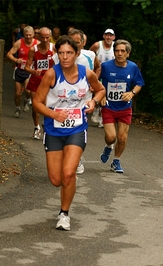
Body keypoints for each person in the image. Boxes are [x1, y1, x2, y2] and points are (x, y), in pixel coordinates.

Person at [33, 36, 105, 231]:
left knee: (67, 172)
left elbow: (100, 90)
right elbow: (37, 102)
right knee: (56, 180)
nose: (65, 57)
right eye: (61, 53)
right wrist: (53, 114)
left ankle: (64, 214)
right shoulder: (51, 74)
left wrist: (93, 102)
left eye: (69, 53)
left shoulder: (86, 73)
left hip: (77, 129)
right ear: (57, 54)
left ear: (77, 54)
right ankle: (70, 180)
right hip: (54, 130)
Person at [52, 29, 101, 174]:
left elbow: (98, 67)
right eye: (71, 42)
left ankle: (77, 157)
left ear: (83, 43)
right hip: (62, 98)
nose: (74, 45)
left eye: (77, 42)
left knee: (80, 126)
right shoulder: (57, 57)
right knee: (62, 126)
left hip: (82, 98)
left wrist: (94, 83)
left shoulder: (90, 55)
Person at [99, 39, 144, 173]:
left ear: (128, 53)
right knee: (111, 137)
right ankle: (108, 146)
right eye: (117, 51)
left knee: (122, 138)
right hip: (109, 107)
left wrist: (132, 93)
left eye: (122, 51)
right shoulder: (105, 66)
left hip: (125, 107)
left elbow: (139, 83)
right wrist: (101, 94)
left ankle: (116, 161)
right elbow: (96, 80)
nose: (119, 53)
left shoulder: (133, 67)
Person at [25, 27, 55, 139]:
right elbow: (26, 67)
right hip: (36, 80)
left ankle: (47, 125)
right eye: (43, 37)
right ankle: (37, 127)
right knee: (35, 107)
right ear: (38, 37)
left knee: (48, 106)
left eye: (47, 37)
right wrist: (33, 71)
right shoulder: (34, 50)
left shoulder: (54, 48)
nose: (45, 40)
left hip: (49, 80)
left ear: (50, 37)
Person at [6, 26, 39, 118]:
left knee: (28, 91)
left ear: (33, 35)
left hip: (30, 70)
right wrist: (16, 60)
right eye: (26, 35)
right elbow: (9, 54)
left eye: (30, 35)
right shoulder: (19, 42)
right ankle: (17, 108)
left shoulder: (37, 44)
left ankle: (27, 100)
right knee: (18, 93)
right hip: (19, 69)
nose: (28, 37)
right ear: (23, 35)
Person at [90, 28, 116, 127]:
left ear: (114, 37)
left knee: (107, 93)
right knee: (98, 92)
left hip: (110, 74)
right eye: (107, 35)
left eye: (111, 35)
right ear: (104, 36)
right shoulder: (97, 45)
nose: (108, 37)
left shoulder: (115, 46)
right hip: (99, 72)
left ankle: (101, 116)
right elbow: (90, 55)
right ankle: (97, 110)